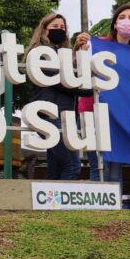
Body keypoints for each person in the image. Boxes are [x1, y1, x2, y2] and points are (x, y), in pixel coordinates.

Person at [77, 3, 130, 186]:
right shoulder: (98, 45)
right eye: (122, 17)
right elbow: (81, 72)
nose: (127, 22)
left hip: (121, 117)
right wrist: (80, 50)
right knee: (99, 166)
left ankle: (115, 211)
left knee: (116, 167)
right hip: (93, 112)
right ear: (115, 24)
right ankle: (99, 213)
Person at [27, 12, 91, 180]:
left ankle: (49, 206)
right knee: (72, 165)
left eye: (62, 27)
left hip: (65, 114)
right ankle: (62, 206)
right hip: (48, 115)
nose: (59, 30)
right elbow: (60, 80)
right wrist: (88, 91)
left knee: (56, 166)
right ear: (44, 30)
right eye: (55, 27)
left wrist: (77, 49)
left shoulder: (61, 52)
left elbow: (68, 72)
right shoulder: (40, 53)